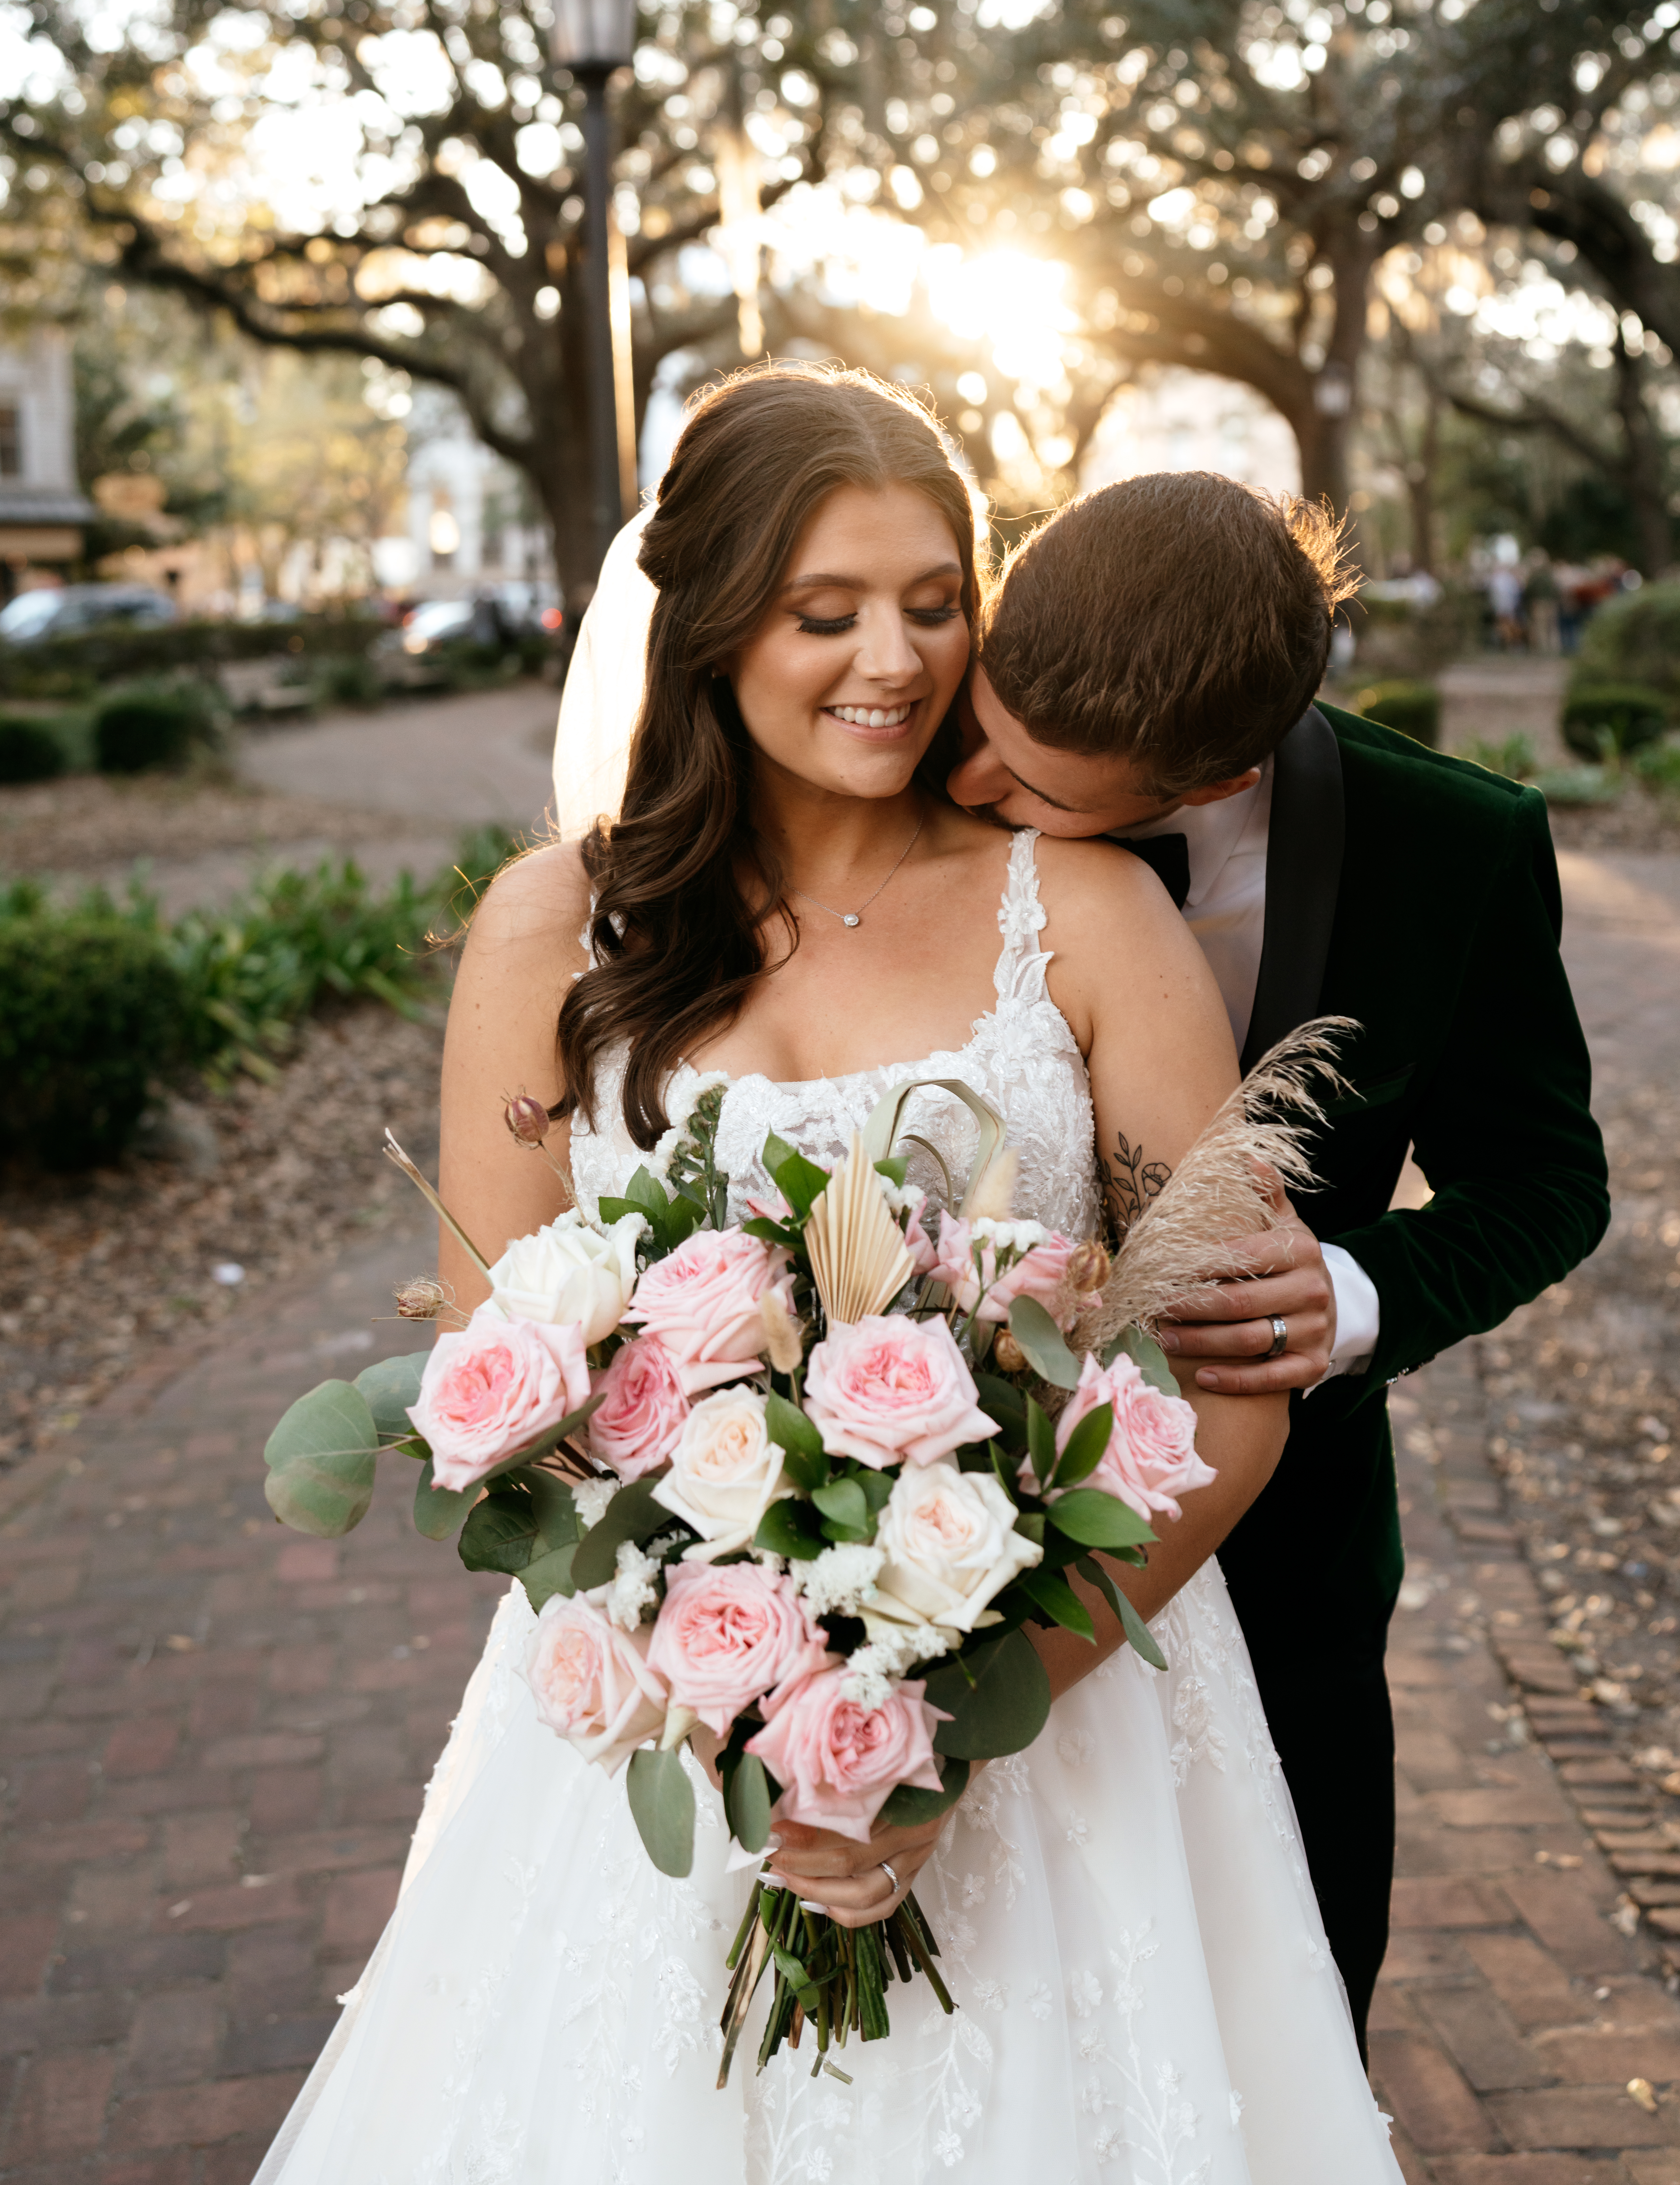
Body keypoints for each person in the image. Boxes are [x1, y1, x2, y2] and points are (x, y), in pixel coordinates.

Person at [257, 370, 1402, 2183]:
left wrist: (931, 1737)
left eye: (938, 602)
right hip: (667, 1723)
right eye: (826, 611)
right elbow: (499, 1369)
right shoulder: (554, 929)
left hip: (1060, 1718)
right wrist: (753, 1694)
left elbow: (1223, 1395)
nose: (896, 657)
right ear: (712, 625)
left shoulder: (1091, 912)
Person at [946, 472, 1611, 2053]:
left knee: (1293, 2016)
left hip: (1287, 1553)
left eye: (1035, 783)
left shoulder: (1454, 849)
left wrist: (1362, 1294)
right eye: (987, 719)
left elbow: (1547, 1181)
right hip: (943, 1532)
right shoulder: (929, 768)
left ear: (1217, 771)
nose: (963, 776)